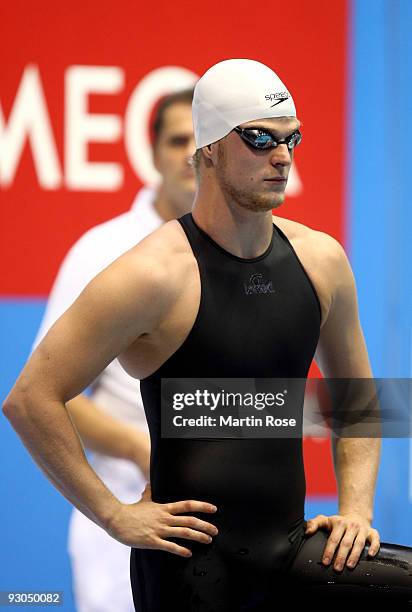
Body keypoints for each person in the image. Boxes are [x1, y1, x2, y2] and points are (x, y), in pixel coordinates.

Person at [3, 59, 412, 611]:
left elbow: (359, 398)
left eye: (292, 139)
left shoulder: (321, 260)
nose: (283, 156)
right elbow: (31, 398)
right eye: (260, 137)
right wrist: (113, 514)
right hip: (189, 569)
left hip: (290, 550)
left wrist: (356, 510)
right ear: (210, 148)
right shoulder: (150, 275)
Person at [30, 88, 196, 612]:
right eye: (178, 139)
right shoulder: (103, 251)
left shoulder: (253, 255)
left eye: (205, 138)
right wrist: (139, 448)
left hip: (224, 522)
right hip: (128, 510)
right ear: (151, 153)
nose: (193, 153)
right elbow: (44, 396)